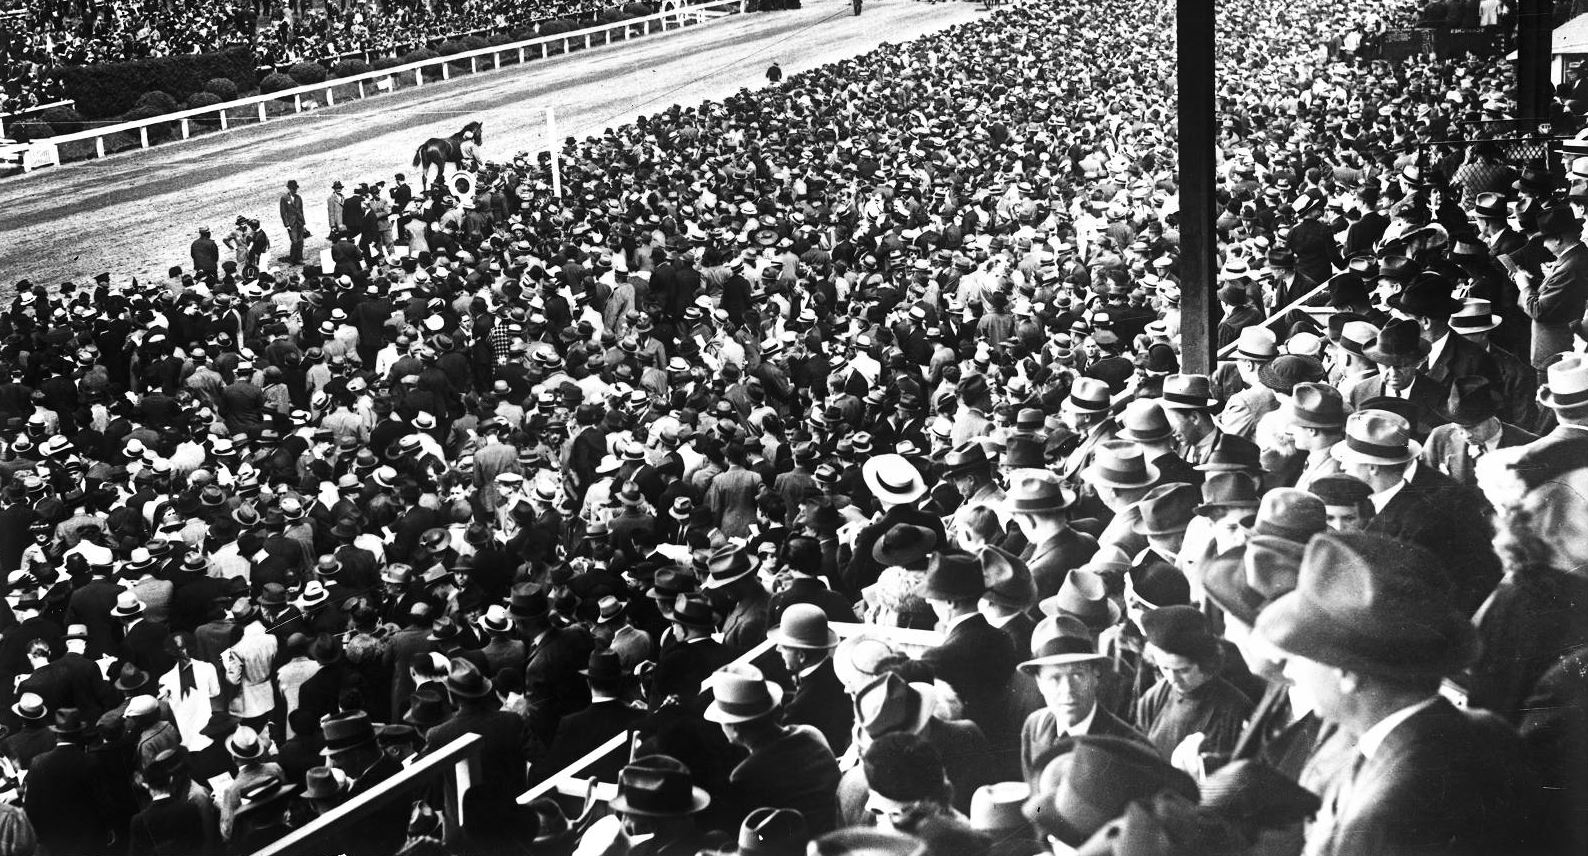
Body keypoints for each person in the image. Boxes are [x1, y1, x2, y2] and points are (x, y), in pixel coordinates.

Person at [1255, 532, 1540, 855]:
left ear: (1346, 674)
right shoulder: (1487, 730)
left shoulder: (1383, 821)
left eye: (1299, 656)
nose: (1289, 672)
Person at [279, 180, 307, 265]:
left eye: (295, 188)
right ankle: (293, 259)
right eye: (292, 188)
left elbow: (301, 211)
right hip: (291, 224)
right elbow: (283, 212)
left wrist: (303, 223)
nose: (294, 190)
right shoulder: (284, 198)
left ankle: (299, 258)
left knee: (300, 241)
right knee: (294, 241)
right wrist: (286, 224)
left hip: (299, 222)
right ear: (289, 188)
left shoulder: (299, 198)